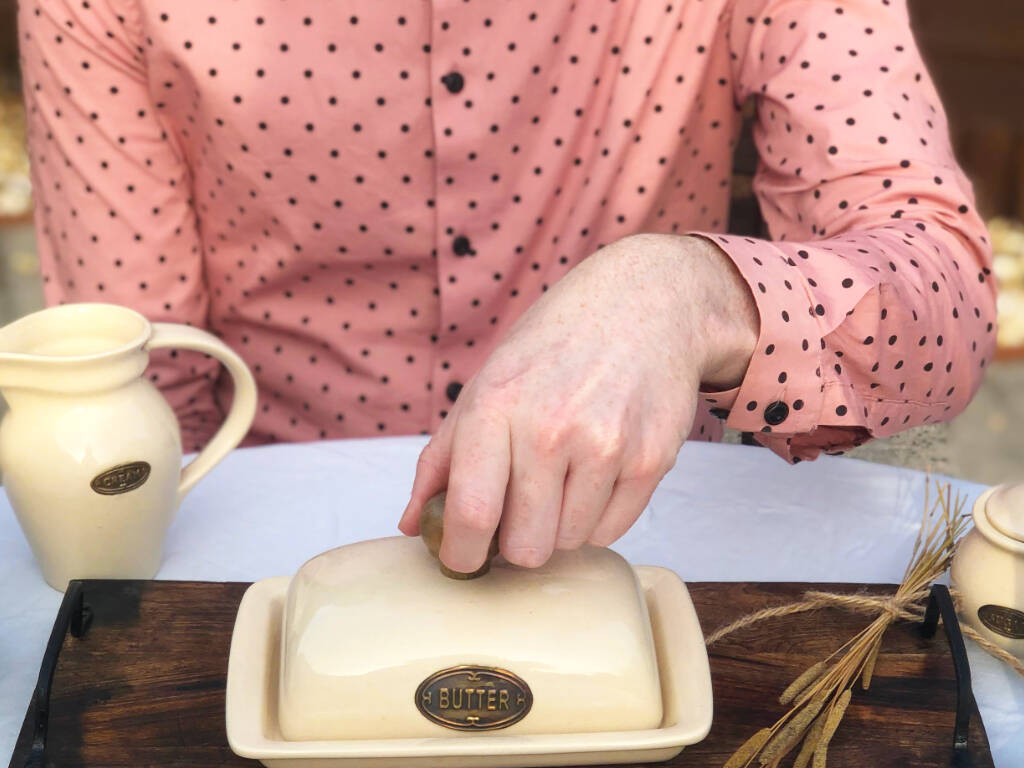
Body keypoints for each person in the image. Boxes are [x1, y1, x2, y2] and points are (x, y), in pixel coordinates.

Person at [19, 1, 997, 574]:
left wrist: (684, 292)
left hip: (654, 546)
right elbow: (131, 377)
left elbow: (945, 300)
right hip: (276, 555)